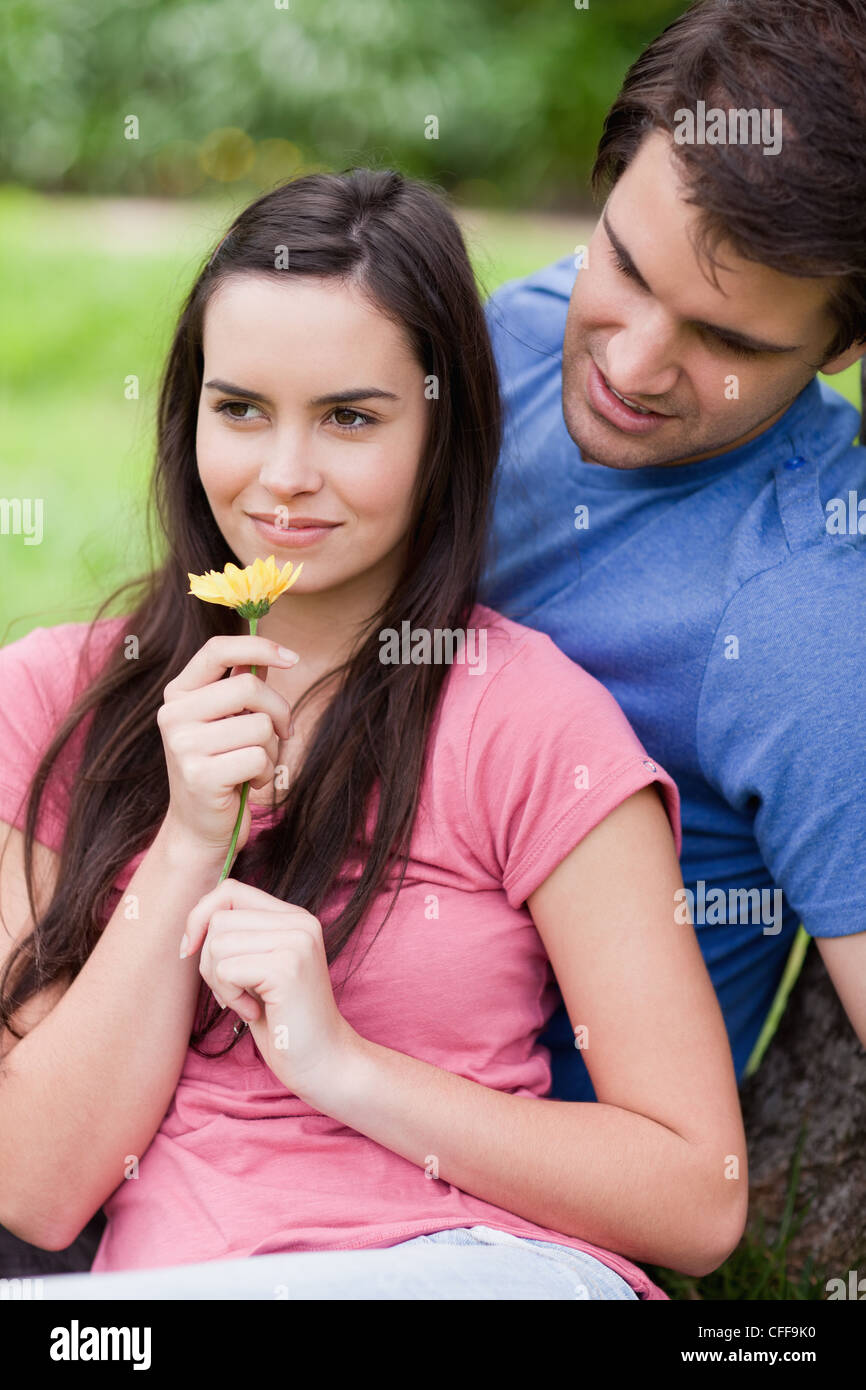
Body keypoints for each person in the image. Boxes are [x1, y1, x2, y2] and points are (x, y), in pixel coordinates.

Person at [0, 168, 745, 1301]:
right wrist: (191, 840)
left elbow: (698, 1196)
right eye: (240, 408)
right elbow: (38, 1187)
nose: (283, 477)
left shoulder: (528, 719)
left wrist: (340, 1064)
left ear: (442, 433)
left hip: (468, 1270)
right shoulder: (52, 700)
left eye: (350, 417)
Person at [479, 0, 866, 1105]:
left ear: (840, 344)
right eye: (627, 267)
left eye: (729, 341)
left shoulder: (807, 617)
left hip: (489, 1200)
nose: (634, 365)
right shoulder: (511, 337)